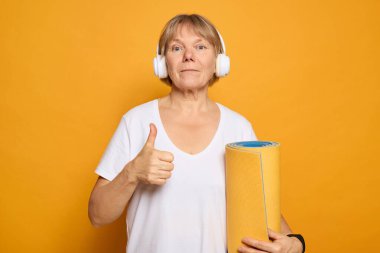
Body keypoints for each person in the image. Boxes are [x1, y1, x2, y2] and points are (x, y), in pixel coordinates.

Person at [88, 14, 305, 253]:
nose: (188, 55)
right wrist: (132, 173)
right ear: (163, 63)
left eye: (200, 46)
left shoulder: (238, 127)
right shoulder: (136, 121)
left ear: (218, 62)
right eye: (177, 47)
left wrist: (295, 242)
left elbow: (260, 206)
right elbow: (97, 215)